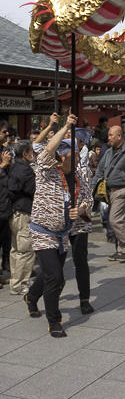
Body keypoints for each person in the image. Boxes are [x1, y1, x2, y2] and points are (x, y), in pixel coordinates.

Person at [25, 113, 93, 337]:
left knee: (48, 274)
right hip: (43, 232)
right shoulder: (46, 172)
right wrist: (64, 127)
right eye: (73, 155)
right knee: (55, 276)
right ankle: (54, 320)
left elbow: (88, 200)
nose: (77, 159)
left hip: (63, 234)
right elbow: (43, 151)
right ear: (61, 157)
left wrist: (81, 209)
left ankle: (32, 296)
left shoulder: (79, 176)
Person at [92, 126, 125, 262]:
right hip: (110, 191)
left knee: (115, 220)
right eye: (109, 135)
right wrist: (93, 187)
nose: (109, 138)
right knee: (116, 220)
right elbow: (100, 170)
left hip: (123, 190)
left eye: (112, 135)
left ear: (119, 136)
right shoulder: (108, 152)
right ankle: (121, 250)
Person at [8, 140, 36, 295]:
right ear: (25, 154)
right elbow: (34, 190)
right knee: (26, 250)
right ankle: (19, 284)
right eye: (31, 151)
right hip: (24, 213)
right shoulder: (24, 170)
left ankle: (15, 278)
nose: (33, 154)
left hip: (15, 213)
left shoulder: (15, 166)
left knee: (16, 248)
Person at [0, 124, 12, 283]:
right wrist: (2, 164)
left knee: (4, 240)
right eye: (4, 132)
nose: (7, 134)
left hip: (5, 203)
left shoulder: (4, 150)